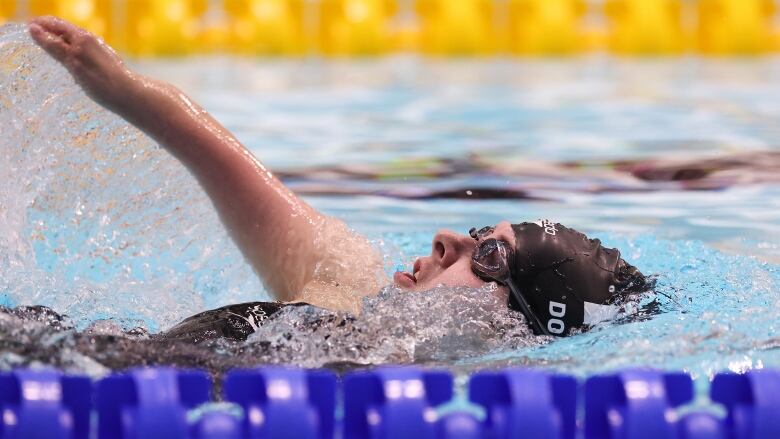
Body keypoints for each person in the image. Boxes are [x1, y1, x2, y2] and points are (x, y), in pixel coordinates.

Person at [27, 16, 650, 342]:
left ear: (513, 326)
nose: (444, 238)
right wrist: (124, 90)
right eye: (474, 233)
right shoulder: (350, 281)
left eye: (488, 257)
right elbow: (239, 175)